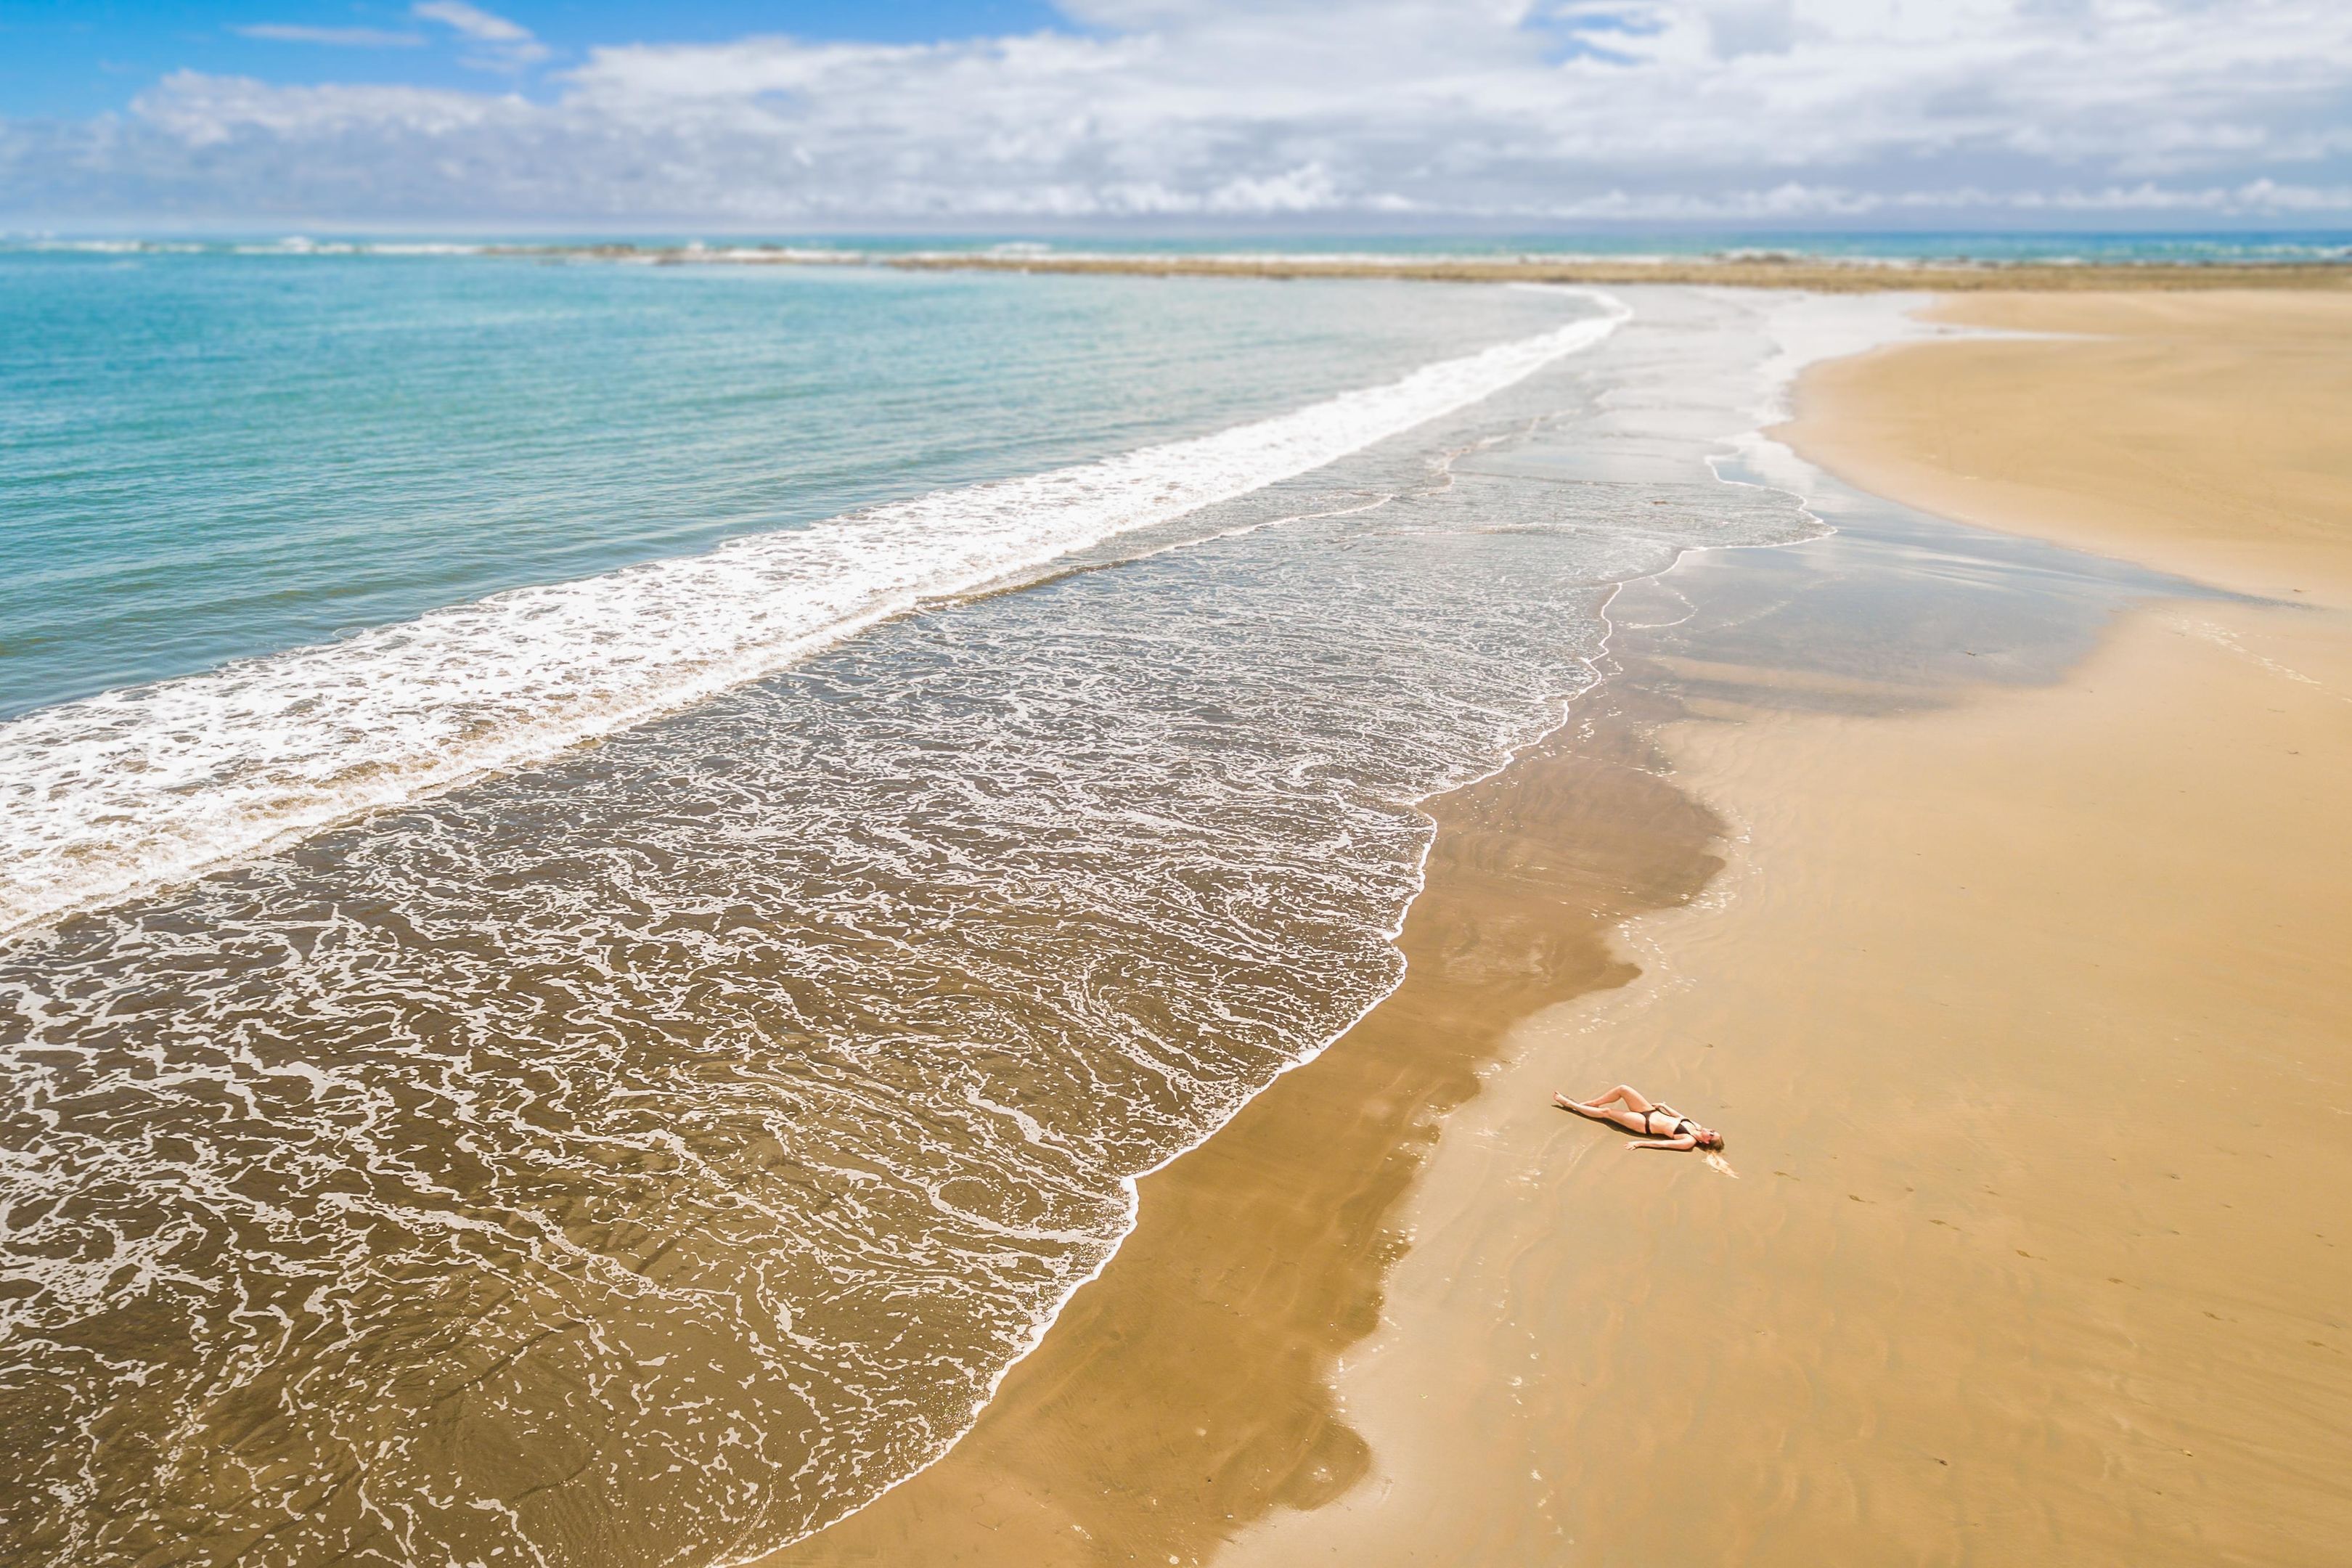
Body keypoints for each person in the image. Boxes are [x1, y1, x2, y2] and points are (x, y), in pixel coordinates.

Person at [1553, 1085, 1723, 1151]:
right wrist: (1664, 1106)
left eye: (1711, 1134)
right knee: (1624, 1089)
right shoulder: (1696, 1126)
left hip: (1644, 1124)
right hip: (1650, 1111)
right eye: (1714, 1131)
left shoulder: (1688, 1141)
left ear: (1707, 1142)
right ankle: (1592, 1103)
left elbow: (1663, 1144)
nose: (1710, 1130)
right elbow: (1680, 1116)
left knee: (1608, 1113)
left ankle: (1570, 1104)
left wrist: (1640, 1143)